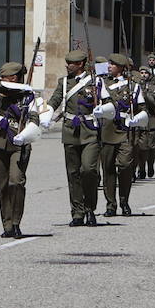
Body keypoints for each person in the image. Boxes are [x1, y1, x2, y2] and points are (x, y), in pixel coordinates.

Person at [0, 61, 44, 238]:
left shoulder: (29, 97)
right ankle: (7, 225)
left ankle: (17, 222)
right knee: (2, 186)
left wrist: (26, 133)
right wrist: (18, 87)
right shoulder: (3, 91)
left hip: (19, 142)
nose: (1, 79)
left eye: (6, 76)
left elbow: (35, 119)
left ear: (14, 77)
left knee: (16, 182)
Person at [48, 50, 103, 227]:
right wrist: (46, 112)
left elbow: (107, 101)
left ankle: (90, 209)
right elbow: (55, 99)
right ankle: (78, 212)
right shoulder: (64, 83)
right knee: (73, 174)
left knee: (88, 170)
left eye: (71, 63)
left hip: (90, 131)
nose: (67, 66)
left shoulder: (95, 82)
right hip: (70, 131)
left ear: (80, 64)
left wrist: (102, 107)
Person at [97, 53, 142, 217]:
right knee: (108, 169)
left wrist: (137, 119)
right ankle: (111, 204)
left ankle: (124, 200)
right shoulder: (101, 84)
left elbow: (142, 108)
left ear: (121, 68)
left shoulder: (133, 86)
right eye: (109, 63)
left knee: (124, 166)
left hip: (125, 130)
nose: (109, 66)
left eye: (113, 64)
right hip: (107, 129)